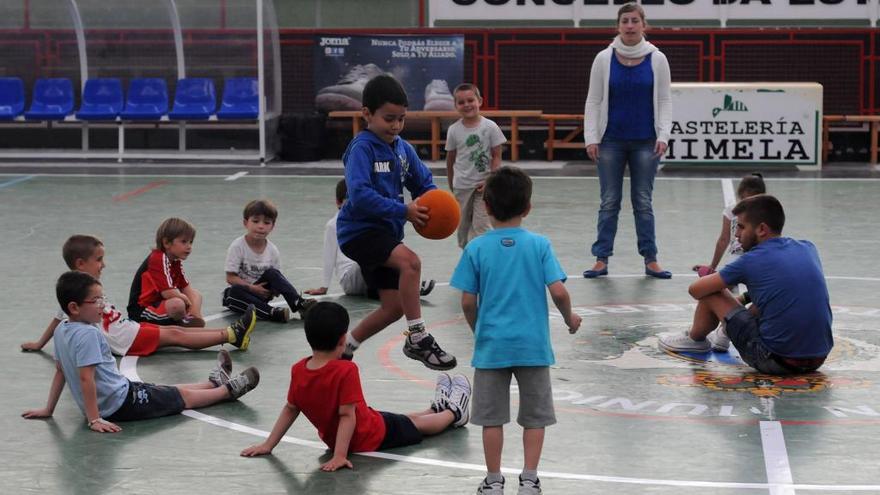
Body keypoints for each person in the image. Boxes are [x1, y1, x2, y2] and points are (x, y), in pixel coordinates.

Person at [450, 166, 582, 495]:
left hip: (492, 346)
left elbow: (468, 302)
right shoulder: (539, 245)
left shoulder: (476, 249)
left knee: (491, 418)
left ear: (488, 208)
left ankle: (493, 480)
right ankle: (529, 478)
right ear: (528, 208)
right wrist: (569, 319)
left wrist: (479, 330)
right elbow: (560, 292)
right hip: (532, 346)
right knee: (535, 417)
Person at [239, 301, 471, 471]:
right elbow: (347, 415)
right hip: (370, 435)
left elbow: (291, 408)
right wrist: (340, 455)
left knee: (404, 418)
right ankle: (453, 413)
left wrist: (268, 444)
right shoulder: (345, 370)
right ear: (343, 340)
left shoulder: (299, 369)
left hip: (361, 425)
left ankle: (436, 408)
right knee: (417, 425)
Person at [22, 271, 260, 433]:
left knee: (165, 391)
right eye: (96, 301)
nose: (103, 305)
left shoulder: (62, 331)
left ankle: (211, 383)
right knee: (179, 399)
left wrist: (48, 409)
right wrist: (94, 419)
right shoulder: (88, 334)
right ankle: (226, 391)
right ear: (74, 307)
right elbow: (86, 378)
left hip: (121, 392)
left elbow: (60, 371)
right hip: (119, 404)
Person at [335, 74, 456, 370]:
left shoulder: (403, 148)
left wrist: (435, 208)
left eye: (401, 119)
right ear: (367, 114)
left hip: (385, 232)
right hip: (359, 231)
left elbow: (424, 183)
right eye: (389, 118)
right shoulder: (362, 148)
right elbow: (360, 194)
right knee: (410, 262)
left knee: (394, 307)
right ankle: (417, 337)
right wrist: (404, 211)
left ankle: (346, 348)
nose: (396, 125)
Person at [658, 195, 834, 375]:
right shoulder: (807, 247)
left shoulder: (751, 260)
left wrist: (716, 279)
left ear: (762, 229)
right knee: (775, 295)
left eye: (741, 227)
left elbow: (695, 290)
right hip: (818, 358)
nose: (736, 234)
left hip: (775, 359)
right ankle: (724, 333)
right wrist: (741, 300)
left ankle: (695, 339)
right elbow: (778, 292)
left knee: (713, 291)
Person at [22, 235, 257, 355]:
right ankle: (231, 335)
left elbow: (60, 318)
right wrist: (40, 343)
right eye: (99, 260)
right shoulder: (76, 291)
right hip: (124, 338)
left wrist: (40, 343)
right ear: (80, 263)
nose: (103, 265)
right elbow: (60, 319)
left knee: (175, 332)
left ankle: (231, 335)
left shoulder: (83, 285)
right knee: (176, 334)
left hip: (126, 329)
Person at [582, 2, 673, 280]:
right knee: (609, 201)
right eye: (625, 21)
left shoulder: (657, 59)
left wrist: (663, 134)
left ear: (643, 25)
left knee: (643, 202)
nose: (630, 26)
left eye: (635, 21)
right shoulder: (603, 59)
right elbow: (594, 100)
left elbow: (665, 100)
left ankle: (651, 259)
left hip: (647, 142)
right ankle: (601, 259)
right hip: (610, 142)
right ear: (618, 26)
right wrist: (591, 137)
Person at [304, 179, 435, 299]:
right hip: (350, 277)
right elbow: (329, 256)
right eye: (348, 200)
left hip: (365, 271)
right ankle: (410, 288)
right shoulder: (333, 224)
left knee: (388, 250)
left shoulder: (366, 220)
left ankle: (384, 288)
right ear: (338, 202)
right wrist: (324, 286)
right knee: (376, 252)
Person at [222, 199, 315, 322]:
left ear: (272, 226)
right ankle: (272, 313)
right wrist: (252, 288)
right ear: (245, 223)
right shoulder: (237, 246)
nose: (261, 226)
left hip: (262, 295)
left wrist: (273, 291)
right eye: (255, 221)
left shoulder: (272, 250)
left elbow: (277, 279)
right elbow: (230, 278)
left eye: (266, 223)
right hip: (241, 295)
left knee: (273, 273)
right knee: (233, 291)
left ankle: (298, 303)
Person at [445, 83, 506, 249]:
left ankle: (486, 260)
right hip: (462, 186)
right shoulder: (453, 130)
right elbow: (450, 159)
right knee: (463, 229)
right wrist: (452, 182)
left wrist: (490, 181)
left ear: (480, 101)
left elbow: (497, 155)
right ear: (456, 105)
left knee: (482, 227)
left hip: (484, 186)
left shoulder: (490, 127)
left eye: (470, 100)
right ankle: (469, 258)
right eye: (461, 102)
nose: (467, 105)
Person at [127, 218, 205, 327]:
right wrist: (187, 302)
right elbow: (168, 293)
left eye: (190, 242)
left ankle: (194, 319)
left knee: (196, 295)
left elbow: (186, 288)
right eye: (184, 242)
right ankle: (185, 322)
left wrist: (192, 306)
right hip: (142, 311)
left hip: (160, 305)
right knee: (178, 304)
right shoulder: (158, 258)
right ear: (166, 243)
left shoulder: (175, 261)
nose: (189, 246)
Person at [692, 173, 766, 278]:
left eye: (753, 200)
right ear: (740, 195)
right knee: (729, 279)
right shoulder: (732, 211)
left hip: (758, 254)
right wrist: (712, 266)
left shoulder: (766, 212)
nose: (748, 203)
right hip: (737, 254)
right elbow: (724, 239)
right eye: (745, 199)